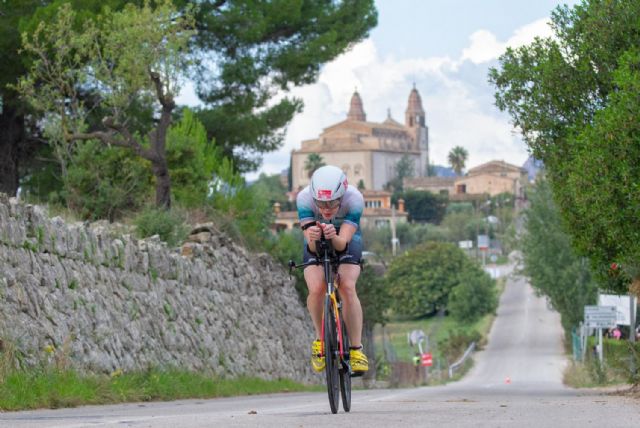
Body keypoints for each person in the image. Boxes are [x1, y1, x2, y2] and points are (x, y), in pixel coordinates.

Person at [297, 165, 368, 374]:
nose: (326, 208)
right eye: (321, 203)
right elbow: (311, 247)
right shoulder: (304, 199)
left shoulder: (354, 199)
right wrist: (314, 238)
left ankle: (356, 350)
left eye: (332, 203)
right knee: (316, 288)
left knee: (347, 286)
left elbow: (343, 244)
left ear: (342, 195)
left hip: (345, 236)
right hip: (317, 237)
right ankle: (320, 340)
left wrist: (333, 236)